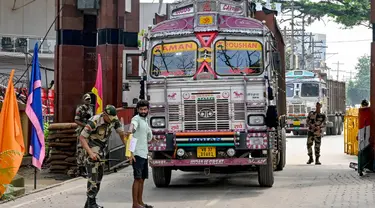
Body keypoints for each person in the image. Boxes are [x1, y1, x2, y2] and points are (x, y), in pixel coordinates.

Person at [80, 105, 126, 208]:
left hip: (102, 149)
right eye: (110, 117)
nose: (111, 120)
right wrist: (90, 153)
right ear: (105, 114)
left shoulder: (114, 119)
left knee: (99, 176)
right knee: (93, 175)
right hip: (91, 147)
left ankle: (89, 203)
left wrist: (128, 149)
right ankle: (91, 203)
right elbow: (82, 138)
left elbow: (122, 134)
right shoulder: (95, 121)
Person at [126, 100, 154, 208]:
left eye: (145, 109)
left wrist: (154, 139)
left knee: (142, 179)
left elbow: (148, 137)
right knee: (137, 178)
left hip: (144, 153)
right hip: (136, 153)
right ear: (137, 110)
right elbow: (132, 128)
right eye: (141, 109)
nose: (143, 111)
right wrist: (131, 153)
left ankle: (140, 202)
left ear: (148, 109)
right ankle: (135, 204)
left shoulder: (145, 120)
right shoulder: (136, 119)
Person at [74, 93, 94, 177]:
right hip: (82, 131)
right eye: (86, 99)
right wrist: (85, 125)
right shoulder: (80, 109)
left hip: (89, 132)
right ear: (83, 100)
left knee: (87, 148)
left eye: (89, 99)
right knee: (80, 149)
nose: (88, 101)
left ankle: (86, 167)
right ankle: (81, 168)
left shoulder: (91, 108)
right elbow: (76, 120)